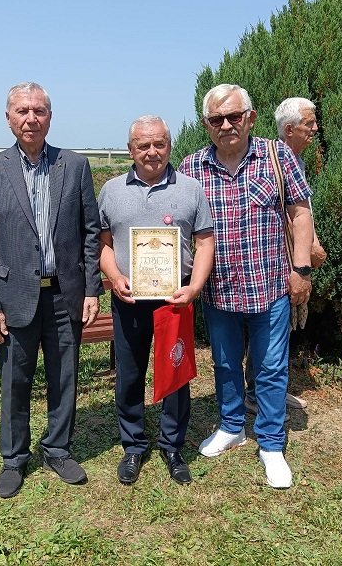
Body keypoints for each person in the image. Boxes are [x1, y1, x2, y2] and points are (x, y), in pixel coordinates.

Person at [0, 82, 103, 498]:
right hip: (14, 296)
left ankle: (58, 449)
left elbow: (90, 232)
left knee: (65, 376)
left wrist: (92, 289)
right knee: (15, 379)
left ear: (50, 116)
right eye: (22, 111)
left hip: (65, 295)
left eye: (39, 111)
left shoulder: (74, 165)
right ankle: (14, 458)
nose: (31, 118)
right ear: (8, 118)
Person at [179, 84, 313, 488]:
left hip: (269, 286)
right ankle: (231, 426)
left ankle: (271, 444)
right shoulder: (192, 166)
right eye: (216, 119)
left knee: (270, 369)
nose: (226, 125)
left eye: (234, 116)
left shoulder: (277, 155)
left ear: (250, 118)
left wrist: (301, 269)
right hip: (219, 290)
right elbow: (176, 221)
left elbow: (300, 213)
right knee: (224, 365)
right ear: (206, 124)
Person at [98, 115, 214, 485]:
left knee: (175, 373)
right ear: (130, 150)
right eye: (143, 145)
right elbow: (102, 244)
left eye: (159, 144)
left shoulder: (191, 189)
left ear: (169, 145)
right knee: (130, 373)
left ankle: (172, 446)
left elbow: (205, 242)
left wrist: (194, 288)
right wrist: (113, 276)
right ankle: (133, 445)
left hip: (175, 297)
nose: (152, 152)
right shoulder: (111, 190)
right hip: (129, 297)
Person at [244, 97, 326, 416]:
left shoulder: (295, 160)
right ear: (289, 129)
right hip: (277, 263)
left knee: (281, 330)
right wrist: (310, 249)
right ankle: (257, 393)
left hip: (294, 260)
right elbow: (285, 215)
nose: (315, 129)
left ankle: (272, 389)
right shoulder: (273, 160)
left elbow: (302, 211)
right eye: (309, 123)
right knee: (270, 330)